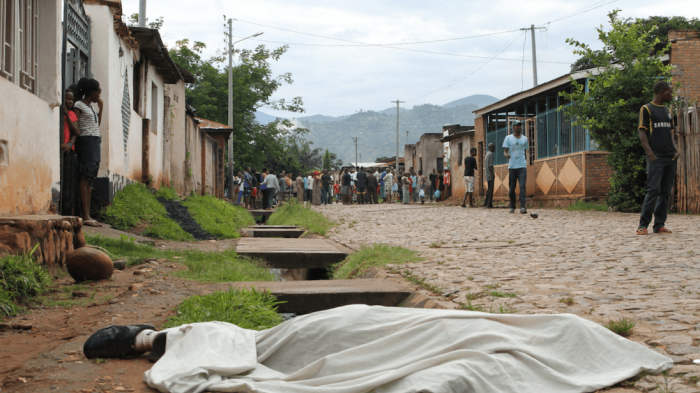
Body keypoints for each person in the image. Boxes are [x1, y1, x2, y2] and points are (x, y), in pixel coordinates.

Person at [637, 81, 679, 235]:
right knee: (653, 190)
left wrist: (676, 150)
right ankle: (643, 225)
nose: (671, 95)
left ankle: (659, 225)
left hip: (670, 157)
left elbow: (671, 133)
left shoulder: (668, 110)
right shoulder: (647, 109)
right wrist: (651, 154)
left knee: (665, 192)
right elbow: (642, 133)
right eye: (669, 92)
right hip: (656, 157)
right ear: (662, 92)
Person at [72, 78, 104, 227]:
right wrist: (72, 141)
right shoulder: (79, 105)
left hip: (94, 141)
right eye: (98, 91)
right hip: (86, 141)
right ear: (91, 92)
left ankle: (88, 214)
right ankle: (85, 215)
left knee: (90, 178)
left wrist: (101, 108)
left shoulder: (91, 107)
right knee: (85, 177)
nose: (99, 94)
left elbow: (96, 126)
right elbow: (76, 125)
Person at [60, 89, 81, 216]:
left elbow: (76, 131)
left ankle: (67, 210)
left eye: (72, 99)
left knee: (68, 181)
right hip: (59, 149)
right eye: (68, 99)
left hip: (68, 151)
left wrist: (67, 115)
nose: (70, 101)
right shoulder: (58, 112)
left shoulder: (72, 114)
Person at [503, 120, 529, 214]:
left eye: (520, 126)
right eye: (517, 126)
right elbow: (505, 151)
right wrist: (506, 155)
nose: (519, 127)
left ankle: (523, 207)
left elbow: (525, 150)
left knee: (522, 186)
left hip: (522, 165)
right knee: (511, 189)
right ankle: (513, 206)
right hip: (512, 166)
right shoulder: (508, 138)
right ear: (513, 127)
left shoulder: (525, 139)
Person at [483, 143, 496, 208]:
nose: (495, 149)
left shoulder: (487, 154)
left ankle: (486, 203)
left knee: (489, 189)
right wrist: (493, 174)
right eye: (494, 147)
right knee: (490, 190)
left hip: (487, 174)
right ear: (492, 147)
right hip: (490, 175)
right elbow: (490, 166)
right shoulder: (490, 154)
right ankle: (489, 204)